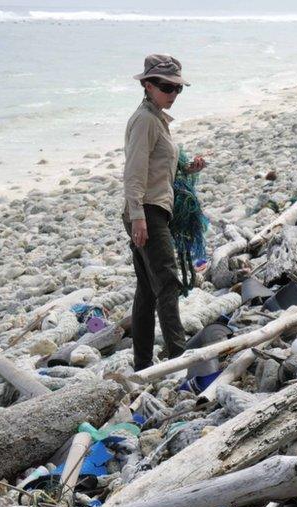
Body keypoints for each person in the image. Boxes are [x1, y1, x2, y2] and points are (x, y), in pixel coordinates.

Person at [123, 54, 206, 370]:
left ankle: (143, 365)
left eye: (177, 89)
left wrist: (187, 167)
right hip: (147, 212)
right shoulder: (145, 119)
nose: (172, 94)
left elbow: (159, 166)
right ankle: (179, 359)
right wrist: (138, 216)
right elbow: (134, 171)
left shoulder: (156, 117)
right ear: (147, 85)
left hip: (154, 208)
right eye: (166, 87)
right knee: (168, 283)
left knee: (147, 290)